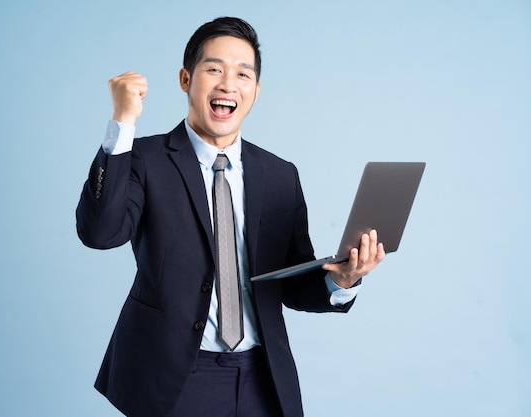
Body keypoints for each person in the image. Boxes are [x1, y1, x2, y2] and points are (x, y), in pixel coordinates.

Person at [76, 16, 384, 417]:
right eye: (214, 69)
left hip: (262, 378)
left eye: (243, 74)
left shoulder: (279, 175)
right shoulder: (144, 159)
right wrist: (123, 122)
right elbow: (100, 232)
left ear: (255, 91)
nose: (227, 84)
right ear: (186, 79)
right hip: (171, 379)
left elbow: (290, 284)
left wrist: (342, 280)